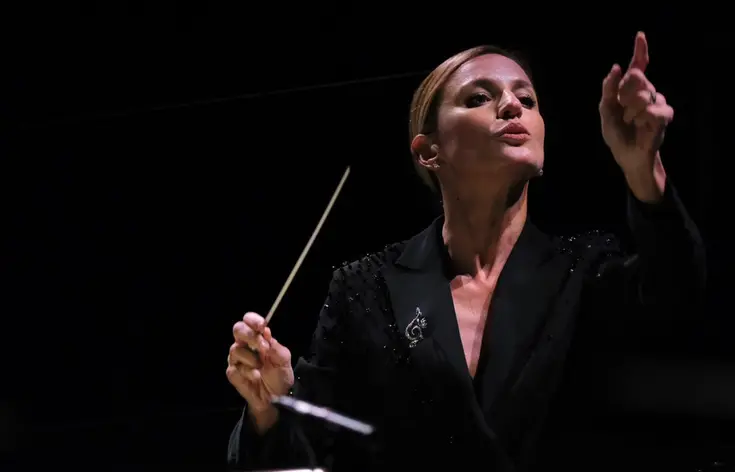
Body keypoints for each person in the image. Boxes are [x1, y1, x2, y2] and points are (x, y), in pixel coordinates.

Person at [226, 32, 705, 472]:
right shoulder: (366, 288)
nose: (512, 107)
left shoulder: (586, 269)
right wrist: (271, 406)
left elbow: (677, 300)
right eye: (480, 97)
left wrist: (645, 170)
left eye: (527, 98)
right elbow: (315, 454)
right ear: (429, 151)